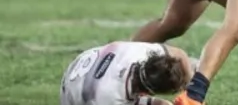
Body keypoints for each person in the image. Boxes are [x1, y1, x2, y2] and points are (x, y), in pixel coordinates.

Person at [60, 41, 193, 105]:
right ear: (150, 92)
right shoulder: (110, 98)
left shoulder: (140, 53)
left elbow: (179, 54)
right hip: (74, 97)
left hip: (83, 65)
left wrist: (192, 93)